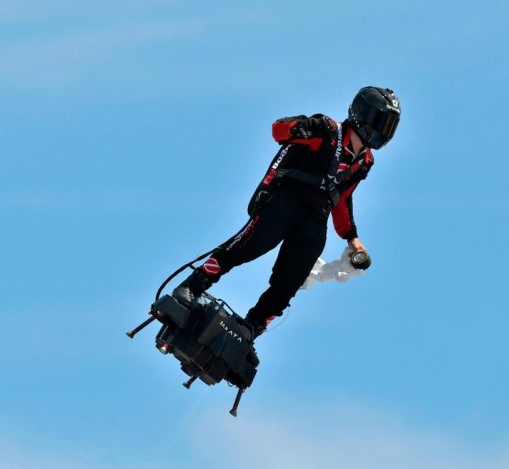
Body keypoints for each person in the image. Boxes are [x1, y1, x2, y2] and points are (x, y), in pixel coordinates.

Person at [170, 86, 401, 339]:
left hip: (316, 217)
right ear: (362, 115)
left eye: (390, 126)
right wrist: (300, 127)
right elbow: (278, 130)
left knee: (291, 279)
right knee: (247, 246)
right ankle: (193, 286)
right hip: (288, 199)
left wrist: (351, 238)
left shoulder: (365, 162)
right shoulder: (328, 130)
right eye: (381, 122)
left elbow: (343, 197)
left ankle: (251, 329)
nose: (384, 131)